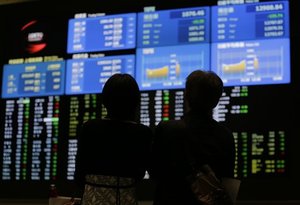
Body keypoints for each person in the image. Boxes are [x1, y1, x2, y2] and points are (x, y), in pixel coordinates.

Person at [151, 70, 236, 205]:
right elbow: (228, 182)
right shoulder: (225, 136)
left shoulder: (167, 129)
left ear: (187, 95)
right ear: (216, 101)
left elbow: (154, 173)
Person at [75, 73, 153, 205]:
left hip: (91, 199)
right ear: (135, 102)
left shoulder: (89, 128)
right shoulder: (143, 133)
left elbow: (79, 174)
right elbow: (142, 174)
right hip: (125, 198)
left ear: (105, 100)